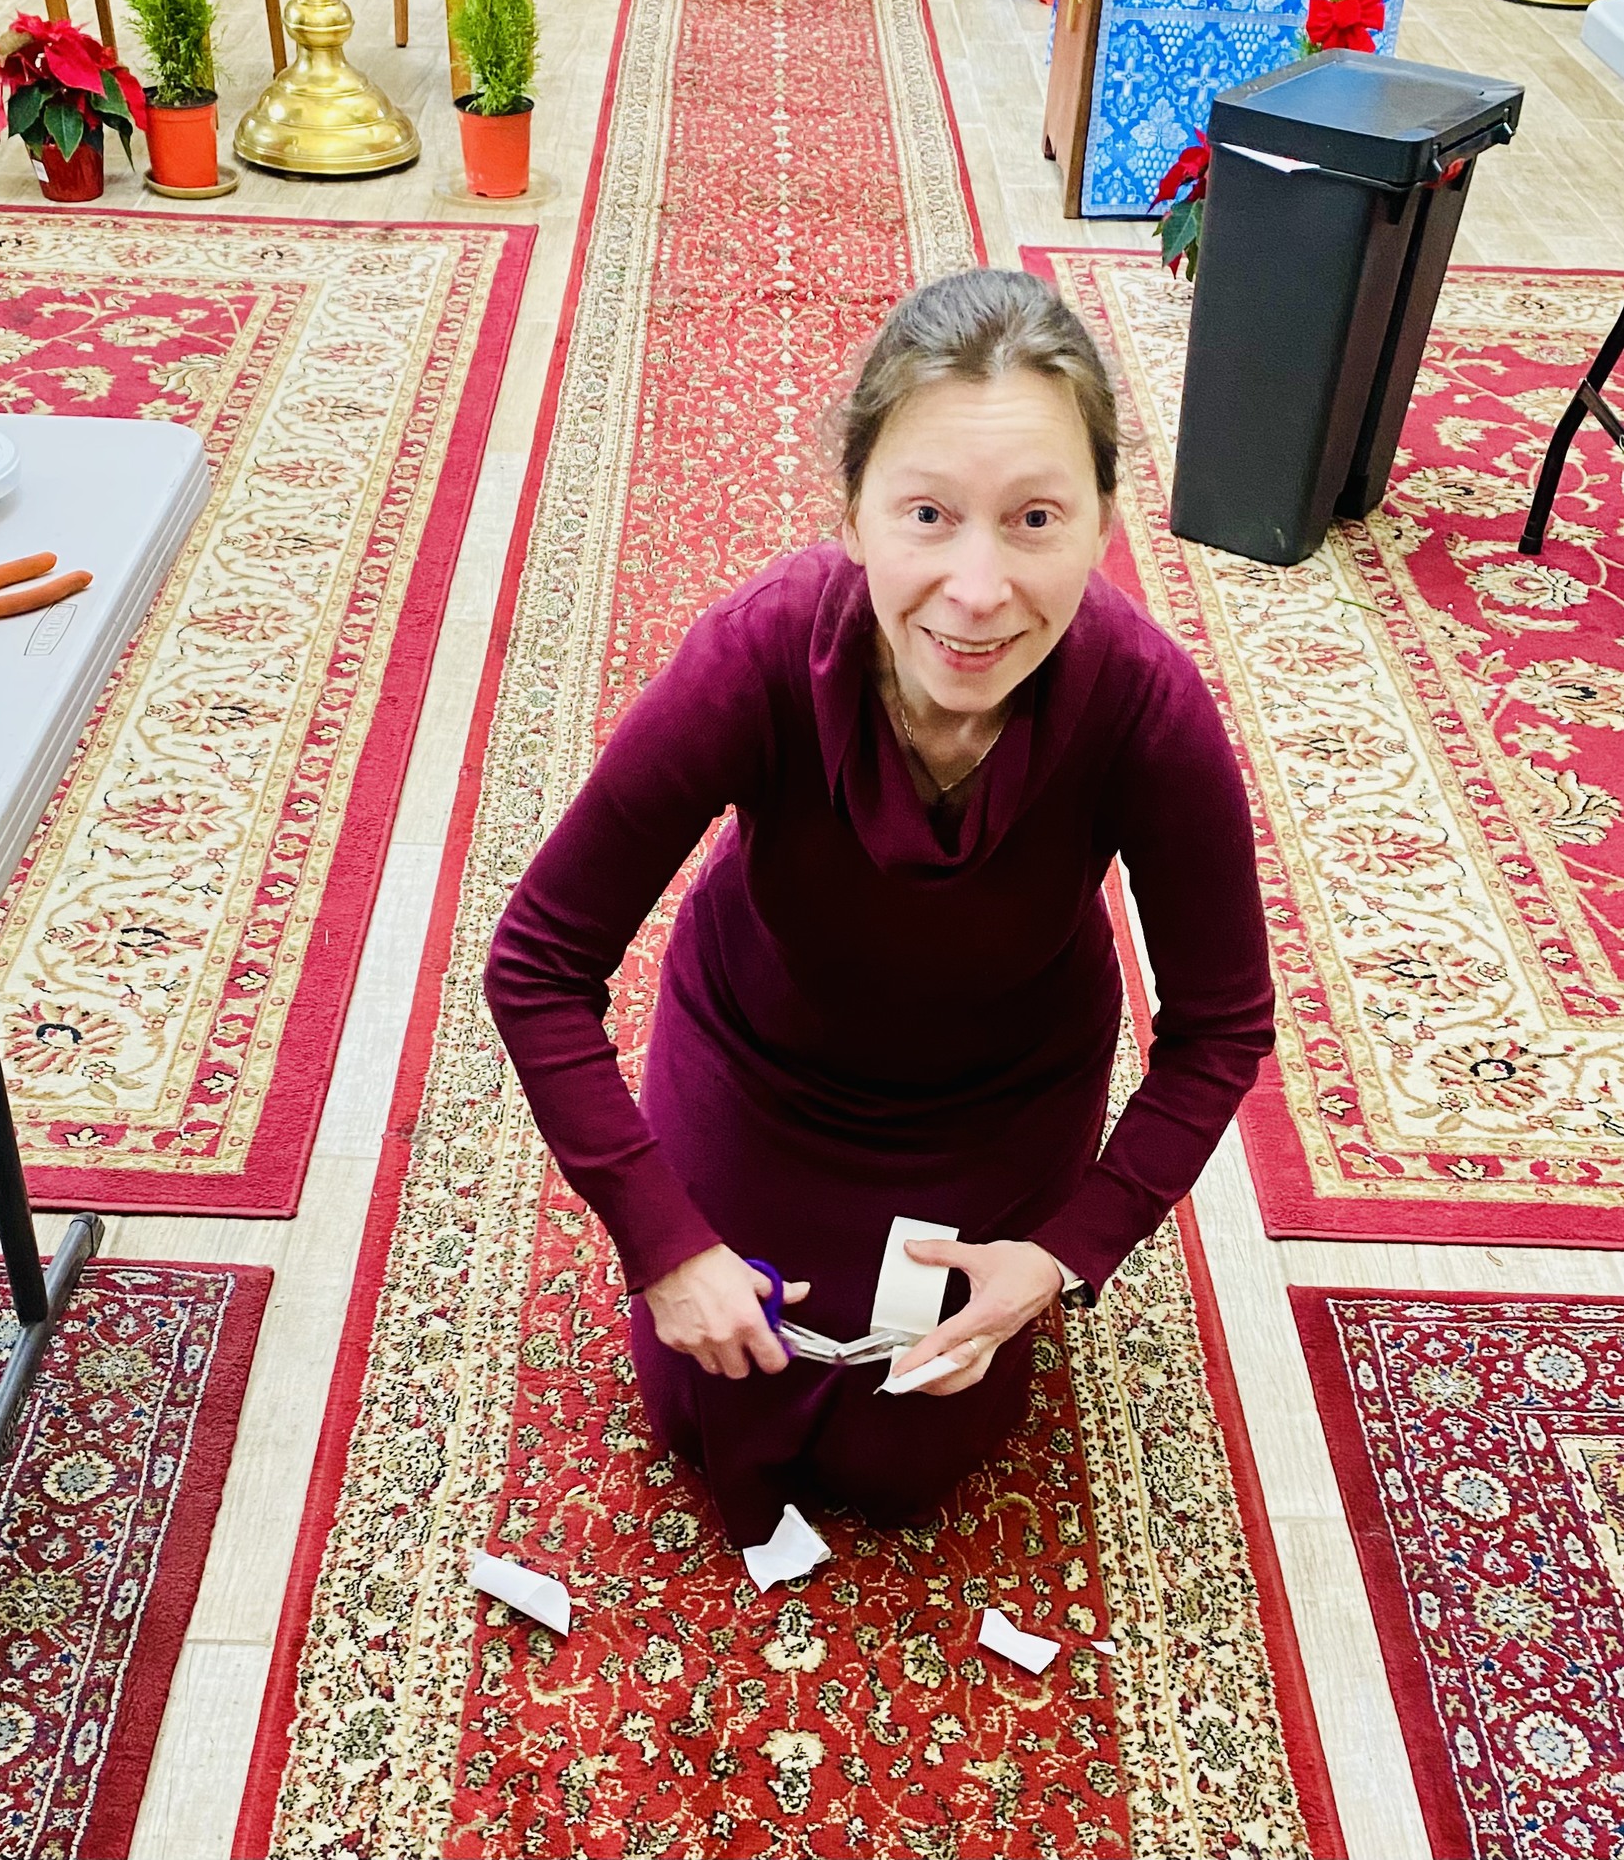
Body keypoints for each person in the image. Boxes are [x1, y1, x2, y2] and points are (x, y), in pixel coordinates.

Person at [484, 268, 1273, 1551]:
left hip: (1004, 1092)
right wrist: (662, 1240)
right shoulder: (753, 654)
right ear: (850, 513)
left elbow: (1222, 1026)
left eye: (1034, 518)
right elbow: (536, 963)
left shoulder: (1148, 704)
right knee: (708, 1396)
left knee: (910, 1446)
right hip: (758, 1056)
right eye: (926, 514)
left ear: (1104, 523)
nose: (976, 588)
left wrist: (1061, 1253)